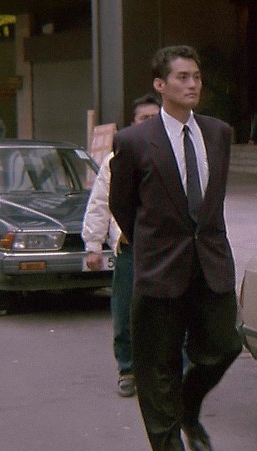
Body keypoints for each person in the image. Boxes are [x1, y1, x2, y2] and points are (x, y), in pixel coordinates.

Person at [109, 45, 242, 451]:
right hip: (158, 270)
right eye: (183, 77)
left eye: (196, 77)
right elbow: (122, 205)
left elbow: (213, 201)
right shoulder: (133, 141)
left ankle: (187, 407)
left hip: (211, 265)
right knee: (157, 369)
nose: (193, 84)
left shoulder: (218, 133)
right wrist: (153, 244)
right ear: (160, 85)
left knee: (225, 346)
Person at [82, 93, 161, 398]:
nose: (150, 123)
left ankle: (166, 371)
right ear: (133, 123)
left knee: (168, 312)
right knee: (126, 311)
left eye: (155, 118)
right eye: (144, 118)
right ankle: (128, 369)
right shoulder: (115, 159)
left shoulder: (173, 154)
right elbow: (100, 203)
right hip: (129, 248)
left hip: (165, 249)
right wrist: (93, 244)